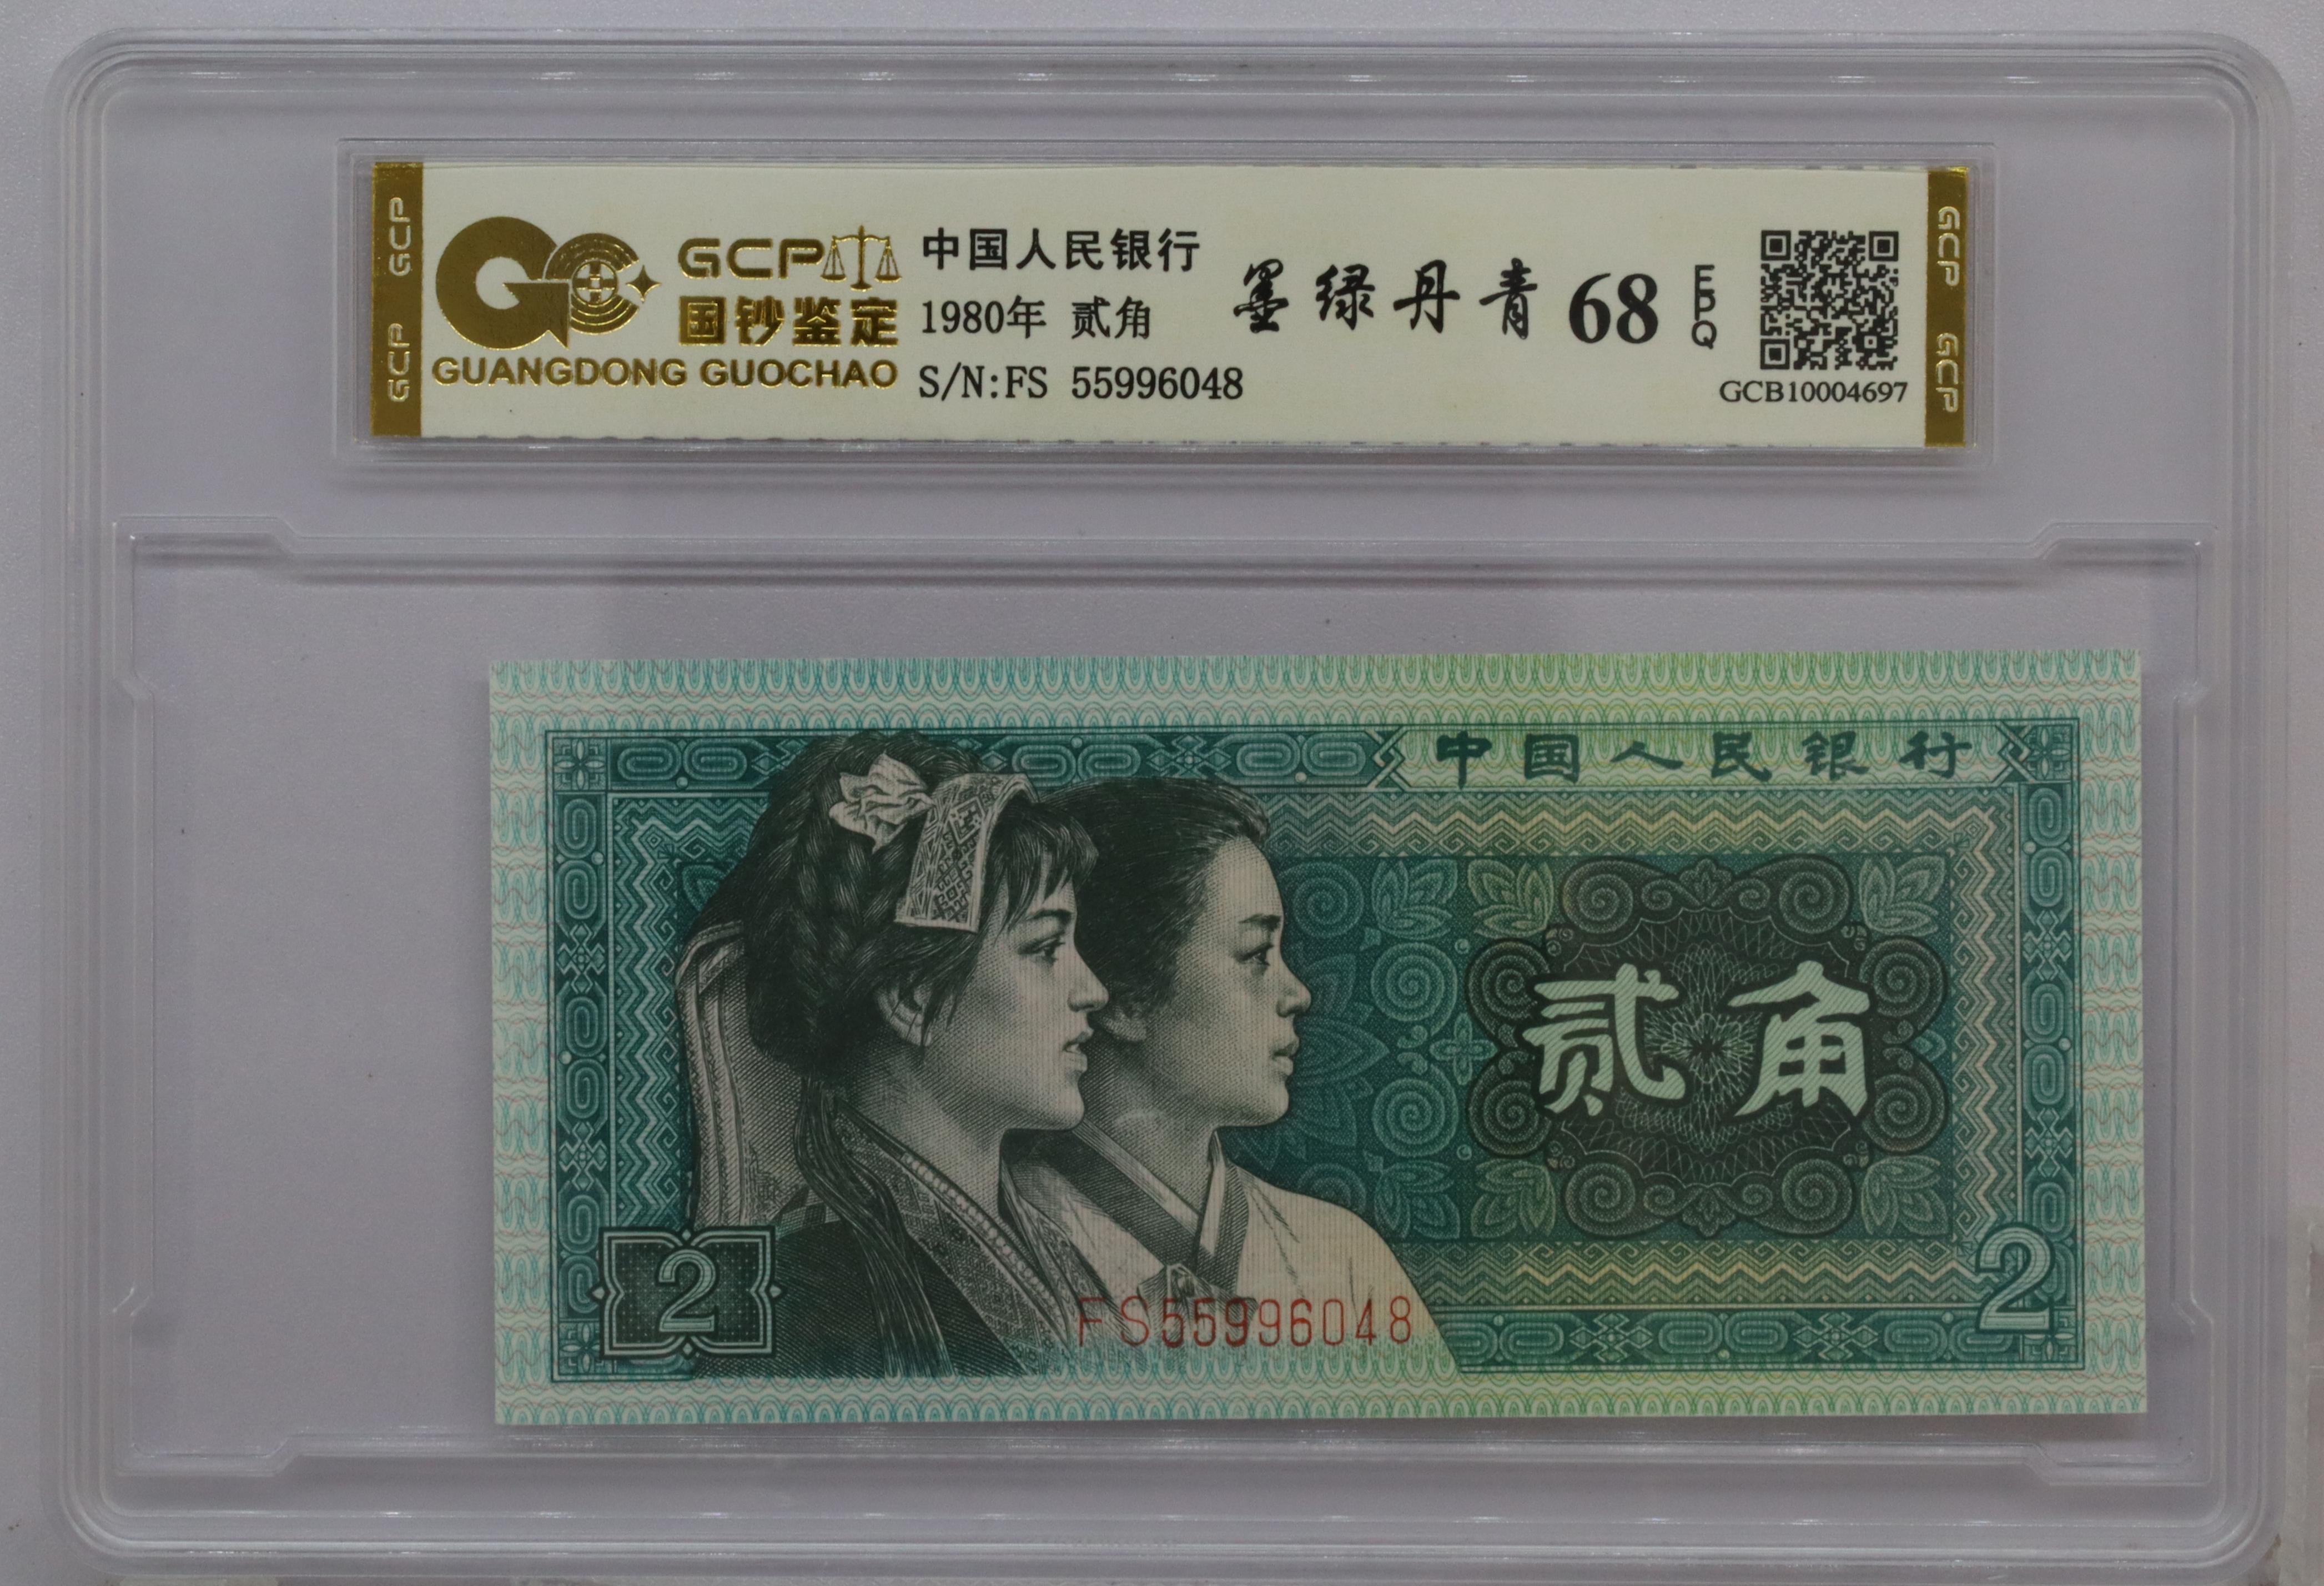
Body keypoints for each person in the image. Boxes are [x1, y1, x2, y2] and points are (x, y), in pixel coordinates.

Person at [685, 731, 1108, 1377]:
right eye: (1045, 949)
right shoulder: (805, 1299)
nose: (1093, 990)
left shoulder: (1057, 1254)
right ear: (913, 999)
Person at [1015, 779, 1434, 1343]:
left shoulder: (1344, 1259)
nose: (1298, 995)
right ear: (1125, 999)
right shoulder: (1003, 1243)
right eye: (1256, 955)